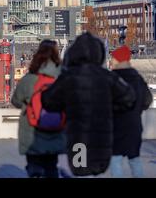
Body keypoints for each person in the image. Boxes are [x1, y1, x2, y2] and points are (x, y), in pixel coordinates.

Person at [41, 32, 136, 177]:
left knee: (81, 170)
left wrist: (67, 104)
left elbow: (48, 101)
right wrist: (110, 108)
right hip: (102, 139)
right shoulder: (107, 76)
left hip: (79, 140)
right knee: (98, 171)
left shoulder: (68, 77)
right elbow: (129, 98)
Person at [11, 40, 66, 178]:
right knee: (51, 166)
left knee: (34, 166)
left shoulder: (29, 79)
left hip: (31, 130)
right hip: (55, 129)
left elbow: (16, 101)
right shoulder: (63, 77)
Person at [109, 45, 154, 177]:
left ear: (118, 60)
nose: (111, 61)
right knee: (135, 159)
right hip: (134, 126)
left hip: (116, 127)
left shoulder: (112, 79)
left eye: (113, 58)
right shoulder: (138, 79)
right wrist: (136, 110)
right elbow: (147, 100)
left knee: (115, 161)